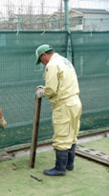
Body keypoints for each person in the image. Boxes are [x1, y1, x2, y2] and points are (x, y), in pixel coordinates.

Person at [35, 44, 82, 176]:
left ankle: (60, 169)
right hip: (75, 102)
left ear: (44, 55)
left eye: (41, 60)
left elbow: (51, 90)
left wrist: (43, 91)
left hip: (64, 105)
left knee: (61, 135)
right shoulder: (64, 61)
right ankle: (69, 164)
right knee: (72, 134)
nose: (42, 64)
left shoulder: (52, 65)